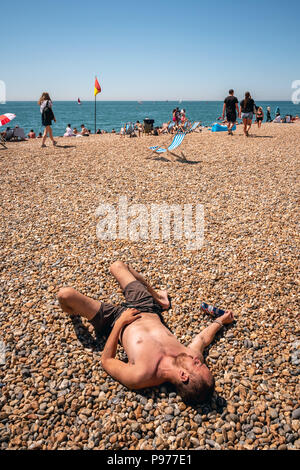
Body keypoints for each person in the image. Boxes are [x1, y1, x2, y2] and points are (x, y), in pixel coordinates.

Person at [57, 261, 235, 405]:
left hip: (113, 321)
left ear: (183, 376)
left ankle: (74, 313)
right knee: (117, 265)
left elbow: (107, 361)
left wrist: (120, 323)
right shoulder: (189, 356)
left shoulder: (141, 375)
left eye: (198, 365)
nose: (199, 360)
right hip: (147, 308)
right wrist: (221, 321)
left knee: (65, 295)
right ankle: (160, 299)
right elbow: (203, 338)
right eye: (202, 364)